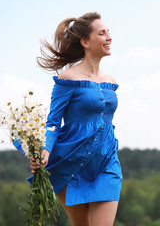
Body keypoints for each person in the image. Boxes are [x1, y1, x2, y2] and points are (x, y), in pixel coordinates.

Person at [29, 12, 122, 226]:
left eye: (109, 32)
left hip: (106, 163)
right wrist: (45, 150)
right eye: (102, 33)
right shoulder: (67, 79)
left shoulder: (111, 81)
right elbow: (53, 123)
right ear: (85, 42)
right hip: (72, 163)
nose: (109, 37)